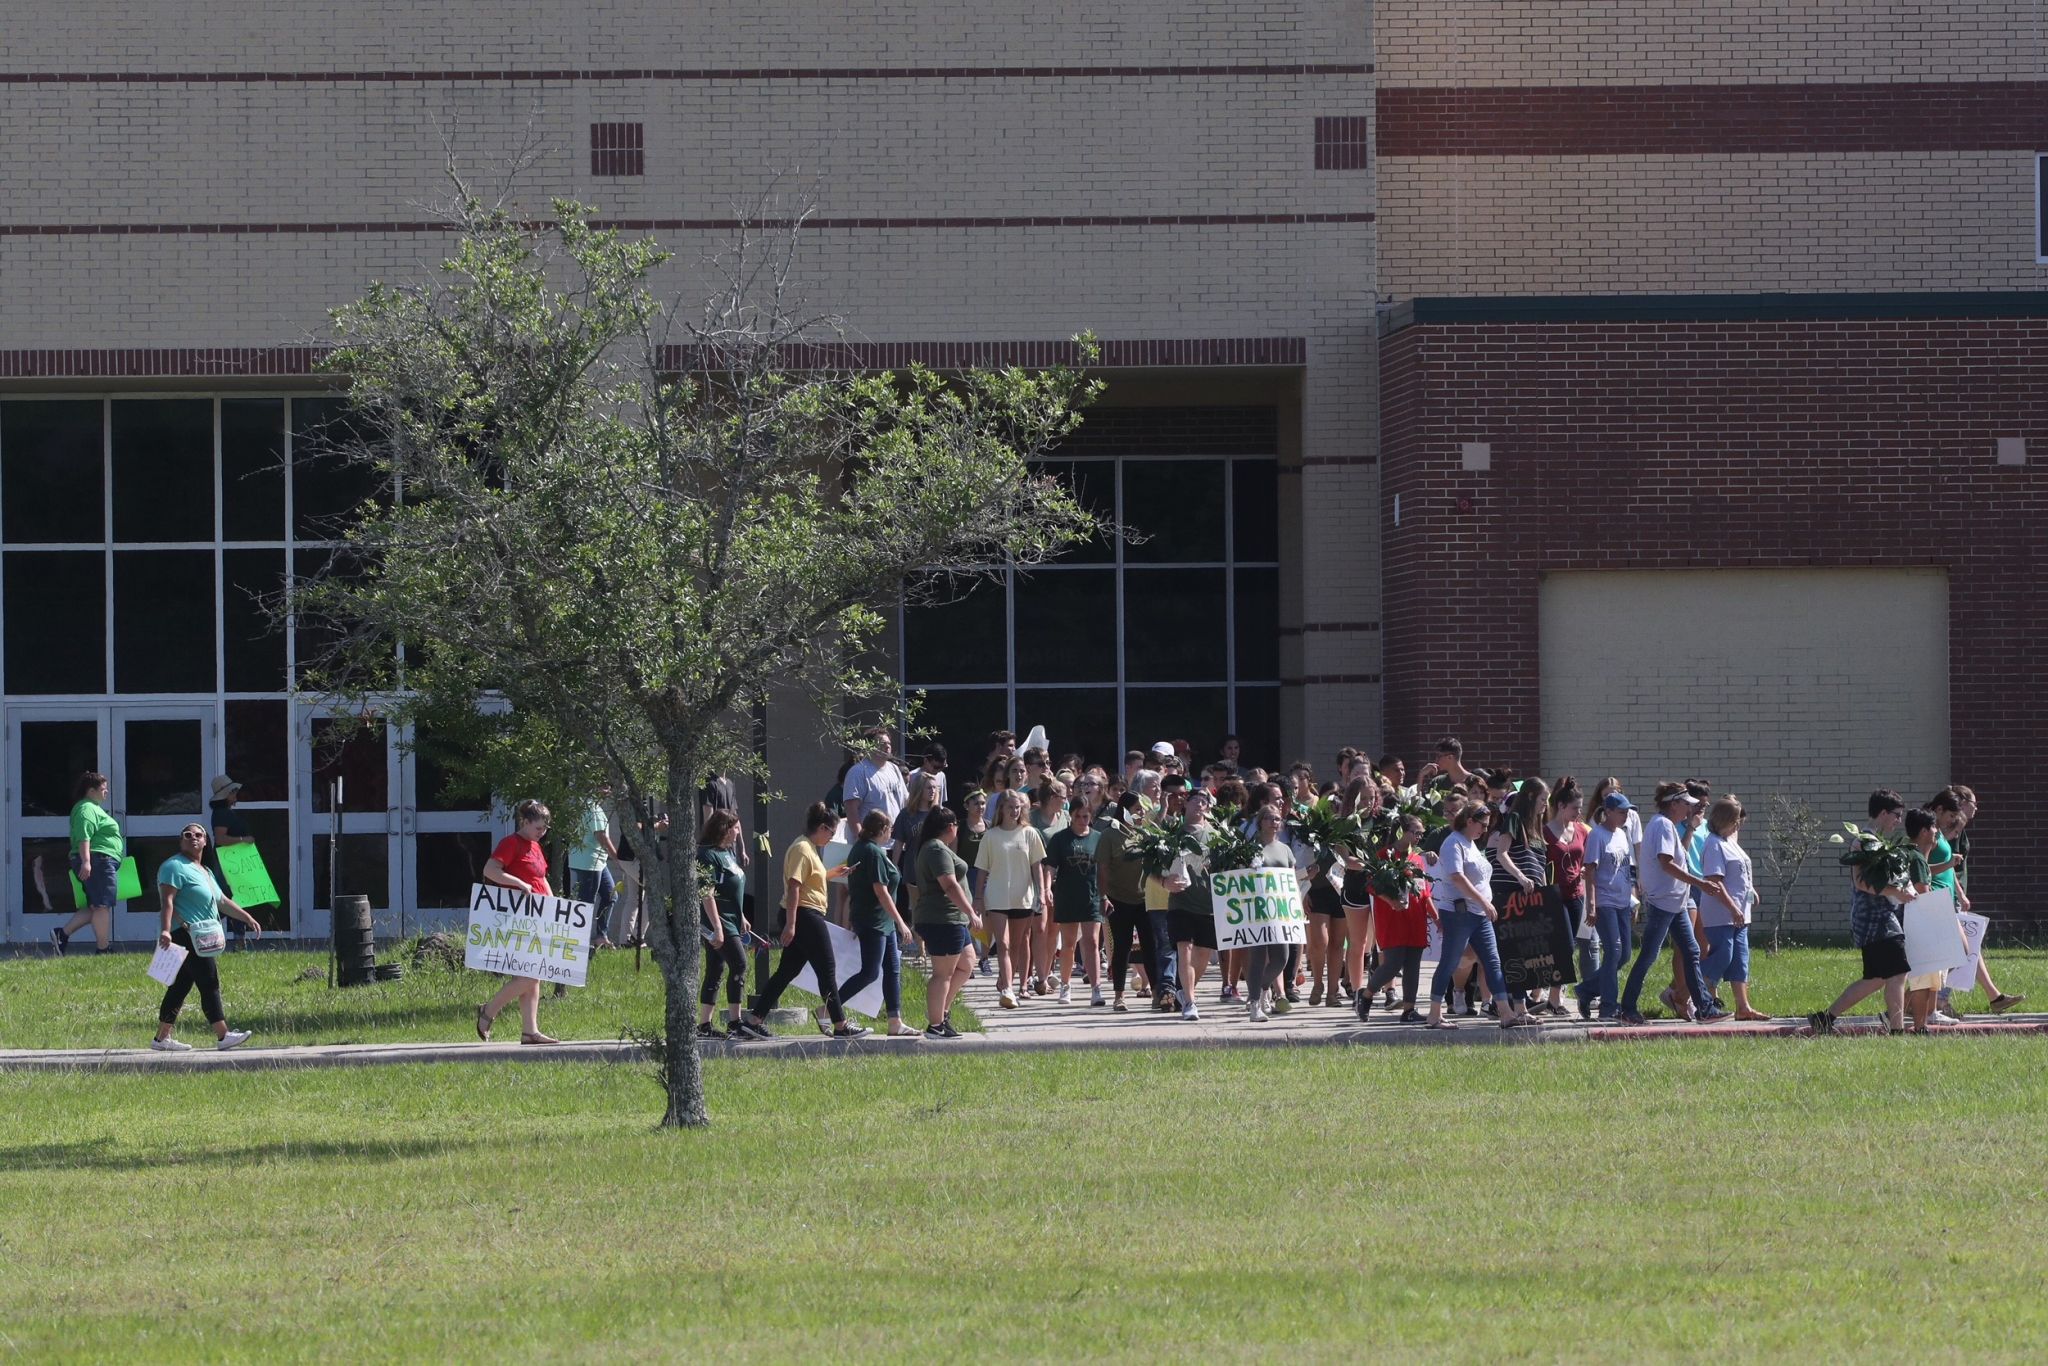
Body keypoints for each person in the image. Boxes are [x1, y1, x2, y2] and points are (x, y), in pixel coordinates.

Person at [745, 802, 867, 1038]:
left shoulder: (809, 847)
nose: (830, 839)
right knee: (827, 969)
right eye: (831, 833)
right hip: (805, 915)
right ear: (821, 827)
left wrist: (834, 873)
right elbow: (794, 886)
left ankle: (753, 1019)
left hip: (804, 915)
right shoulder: (802, 848)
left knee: (786, 972)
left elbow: (811, 879)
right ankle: (840, 1025)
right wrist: (791, 924)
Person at [1810, 791, 1919, 1035]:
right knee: (1898, 972)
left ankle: (1825, 1018)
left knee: (1876, 977)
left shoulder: (1878, 842)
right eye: (1896, 815)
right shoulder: (1863, 842)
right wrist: (1896, 892)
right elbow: (1860, 882)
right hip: (1875, 919)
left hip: (1882, 917)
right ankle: (1897, 1030)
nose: (1898, 821)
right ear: (1883, 813)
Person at [1614, 783, 1721, 1025]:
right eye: (1687, 805)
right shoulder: (1662, 825)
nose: (1690, 810)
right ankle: (1627, 1007)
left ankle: (1704, 1008)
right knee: (1649, 956)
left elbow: (1678, 855)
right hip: (1664, 903)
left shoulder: (1668, 826)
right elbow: (1667, 863)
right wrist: (1700, 883)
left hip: (1675, 902)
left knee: (1692, 951)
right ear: (1673, 804)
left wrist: (1691, 830)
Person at [151, 823, 262, 1051]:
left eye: (198, 835)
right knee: (209, 981)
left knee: (180, 986)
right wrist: (164, 930)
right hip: (185, 934)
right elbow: (167, 901)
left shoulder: (205, 871)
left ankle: (161, 1039)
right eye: (187, 835)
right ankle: (223, 1035)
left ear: (205, 841)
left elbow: (221, 901)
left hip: (200, 935)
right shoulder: (174, 866)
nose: (193, 838)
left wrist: (246, 917)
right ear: (181, 841)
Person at [1424, 802, 1531, 1029]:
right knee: (1450, 962)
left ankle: (1505, 1013)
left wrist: (1484, 904)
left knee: (1493, 962)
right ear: (1469, 821)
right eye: (1481, 825)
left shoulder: (1471, 844)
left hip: (1480, 915)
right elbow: (1457, 877)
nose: (1484, 830)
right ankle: (1434, 1014)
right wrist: (1483, 901)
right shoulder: (1453, 843)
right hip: (1458, 912)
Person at [477, 799, 561, 1045]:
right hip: (517, 918)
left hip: (537, 916)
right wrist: (519, 884)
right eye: (538, 828)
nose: (542, 833)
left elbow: (541, 878)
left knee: (534, 975)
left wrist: (554, 905)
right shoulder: (511, 843)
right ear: (524, 822)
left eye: (545, 829)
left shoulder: (535, 847)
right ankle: (488, 1010)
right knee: (530, 976)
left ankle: (529, 1031)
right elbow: (490, 870)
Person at [840, 810, 918, 1037]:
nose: (891, 833)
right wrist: (902, 923)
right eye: (889, 828)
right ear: (882, 830)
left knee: (892, 969)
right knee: (870, 972)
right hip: (873, 920)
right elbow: (880, 891)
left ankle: (895, 1021)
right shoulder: (871, 851)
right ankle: (829, 1007)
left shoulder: (870, 849)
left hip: (883, 922)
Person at [974, 790, 1049, 1010]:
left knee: (1017, 944)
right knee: (1004, 944)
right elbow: (981, 870)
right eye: (1010, 807)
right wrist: (978, 898)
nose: (1015, 811)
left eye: (1018, 808)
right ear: (1001, 809)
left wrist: (1042, 892)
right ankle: (1007, 990)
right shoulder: (991, 836)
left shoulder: (1030, 833)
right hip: (997, 898)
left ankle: (1009, 981)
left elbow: (1037, 866)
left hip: (1023, 898)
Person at [697, 811, 768, 1040]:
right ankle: (735, 1022)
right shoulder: (707, 855)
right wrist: (717, 927)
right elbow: (707, 893)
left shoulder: (727, 853)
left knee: (716, 969)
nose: (738, 833)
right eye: (736, 828)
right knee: (739, 963)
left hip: (732, 919)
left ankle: (704, 1025)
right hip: (719, 920)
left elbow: (732, 887)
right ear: (725, 829)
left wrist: (742, 917)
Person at [1698, 797, 1769, 1021]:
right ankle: (1694, 995)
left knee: (1740, 960)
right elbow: (1715, 882)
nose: (1738, 825)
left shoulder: (1730, 841)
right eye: (1735, 821)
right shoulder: (1713, 844)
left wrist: (1750, 890)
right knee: (1722, 956)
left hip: (1740, 913)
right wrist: (1732, 908)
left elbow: (1740, 872)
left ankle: (1743, 1007)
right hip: (1721, 914)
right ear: (1723, 820)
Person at [911, 808, 979, 1038]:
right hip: (942, 919)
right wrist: (971, 912)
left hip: (954, 920)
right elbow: (949, 885)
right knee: (943, 974)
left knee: (967, 963)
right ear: (951, 826)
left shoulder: (938, 848)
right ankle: (935, 1025)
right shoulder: (935, 849)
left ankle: (943, 1012)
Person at [1359, 814, 1433, 1022]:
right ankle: (1366, 996)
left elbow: (1424, 893)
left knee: (1413, 965)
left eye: (1421, 833)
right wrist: (1391, 901)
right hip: (1393, 918)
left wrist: (1436, 918)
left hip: (1415, 919)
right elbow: (1372, 885)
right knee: (1393, 963)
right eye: (1416, 832)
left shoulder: (1417, 859)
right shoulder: (1385, 855)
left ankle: (1409, 1010)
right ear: (1403, 831)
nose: (1419, 837)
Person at [1042, 799, 1107, 1007]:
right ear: (1071, 816)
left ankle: (1096, 987)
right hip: (1067, 895)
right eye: (1077, 816)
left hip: (1092, 895)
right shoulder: (1060, 839)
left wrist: (1106, 895)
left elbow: (1105, 870)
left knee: (1092, 942)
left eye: (1085, 816)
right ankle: (1066, 984)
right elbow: (1050, 866)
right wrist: (1046, 888)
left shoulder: (1098, 838)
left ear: (1091, 817)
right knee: (1068, 944)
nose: (1081, 820)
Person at [1582, 792, 1638, 1020]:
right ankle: (1608, 1006)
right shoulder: (1597, 836)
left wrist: (1633, 897)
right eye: (1622, 812)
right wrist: (1592, 905)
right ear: (1609, 812)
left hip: (1623, 901)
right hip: (1605, 901)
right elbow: (1590, 872)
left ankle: (1585, 989)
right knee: (1613, 951)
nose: (1626, 816)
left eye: (1627, 812)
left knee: (1624, 954)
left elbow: (1627, 868)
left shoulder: (1622, 835)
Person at [53, 771, 122, 954]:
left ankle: (62, 934)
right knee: (102, 905)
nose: (106, 793)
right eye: (103, 789)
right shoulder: (86, 808)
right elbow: (84, 835)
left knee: (95, 905)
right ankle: (103, 949)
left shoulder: (92, 807)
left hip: (100, 860)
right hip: (98, 860)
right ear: (91, 791)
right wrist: (86, 862)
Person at [1165, 789, 1219, 1021]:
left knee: (1203, 956)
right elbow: (1154, 868)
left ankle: (1185, 990)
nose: (1199, 804)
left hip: (1208, 905)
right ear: (1185, 804)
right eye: (1195, 800)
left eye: (1204, 801)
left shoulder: (1217, 835)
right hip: (1180, 903)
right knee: (1183, 949)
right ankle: (1190, 1002)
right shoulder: (1173, 834)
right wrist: (1164, 882)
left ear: (1208, 807)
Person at [1541, 778, 1589, 1016]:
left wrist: (1585, 870)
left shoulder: (1581, 830)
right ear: (1560, 806)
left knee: (1568, 949)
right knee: (1562, 945)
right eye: (1574, 808)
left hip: (1576, 894)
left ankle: (1553, 996)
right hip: (1554, 895)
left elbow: (1588, 858)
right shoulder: (1546, 832)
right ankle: (1551, 996)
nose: (1578, 813)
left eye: (1580, 808)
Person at [207, 774, 257, 947]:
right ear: (225, 795)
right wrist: (243, 840)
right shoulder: (221, 814)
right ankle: (203, 931)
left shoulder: (226, 813)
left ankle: (239, 940)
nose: (236, 795)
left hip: (234, 861)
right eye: (233, 792)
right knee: (227, 899)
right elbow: (220, 839)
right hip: (226, 863)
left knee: (237, 898)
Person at [568, 791, 620, 950]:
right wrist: (616, 858)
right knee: (586, 902)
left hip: (597, 861)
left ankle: (601, 936)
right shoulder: (592, 808)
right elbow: (601, 836)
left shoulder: (588, 805)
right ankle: (578, 941)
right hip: (589, 861)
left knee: (611, 895)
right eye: (605, 786)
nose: (609, 790)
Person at [842, 727, 909, 847]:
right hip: (873, 845)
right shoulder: (858, 772)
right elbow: (851, 810)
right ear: (869, 746)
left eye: (889, 743)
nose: (887, 746)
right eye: (882, 743)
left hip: (896, 845)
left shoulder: (894, 769)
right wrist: (862, 841)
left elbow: (905, 802)